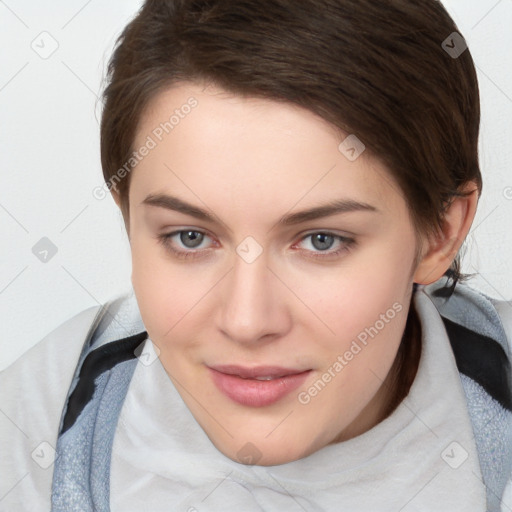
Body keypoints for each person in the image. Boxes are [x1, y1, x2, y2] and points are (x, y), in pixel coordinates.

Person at [1, 0, 511, 510]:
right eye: (190, 237)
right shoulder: (33, 430)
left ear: (441, 232)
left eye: (321, 241)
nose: (247, 322)